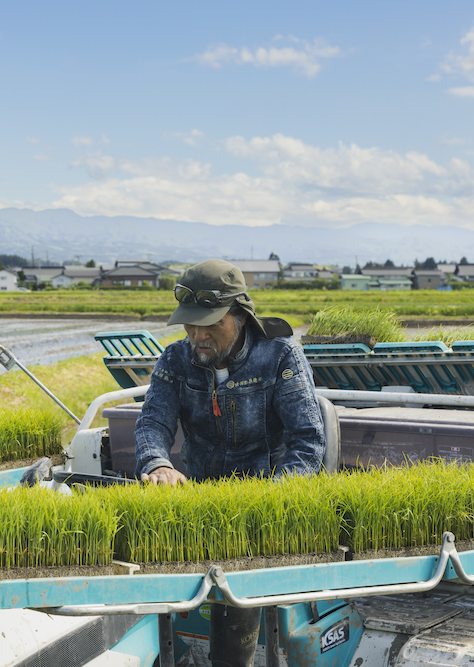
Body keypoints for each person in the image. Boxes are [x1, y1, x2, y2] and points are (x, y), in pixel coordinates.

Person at [133, 258, 326, 667]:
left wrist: (272, 501)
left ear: (240, 317)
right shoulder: (176, 360)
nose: (198, 336)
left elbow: (308, 441)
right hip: (200, 497)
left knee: (237, 613)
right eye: (190, 325)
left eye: (211, 325)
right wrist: (157, 464)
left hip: (262, 505)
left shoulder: (279, 356)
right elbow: (153, 421)